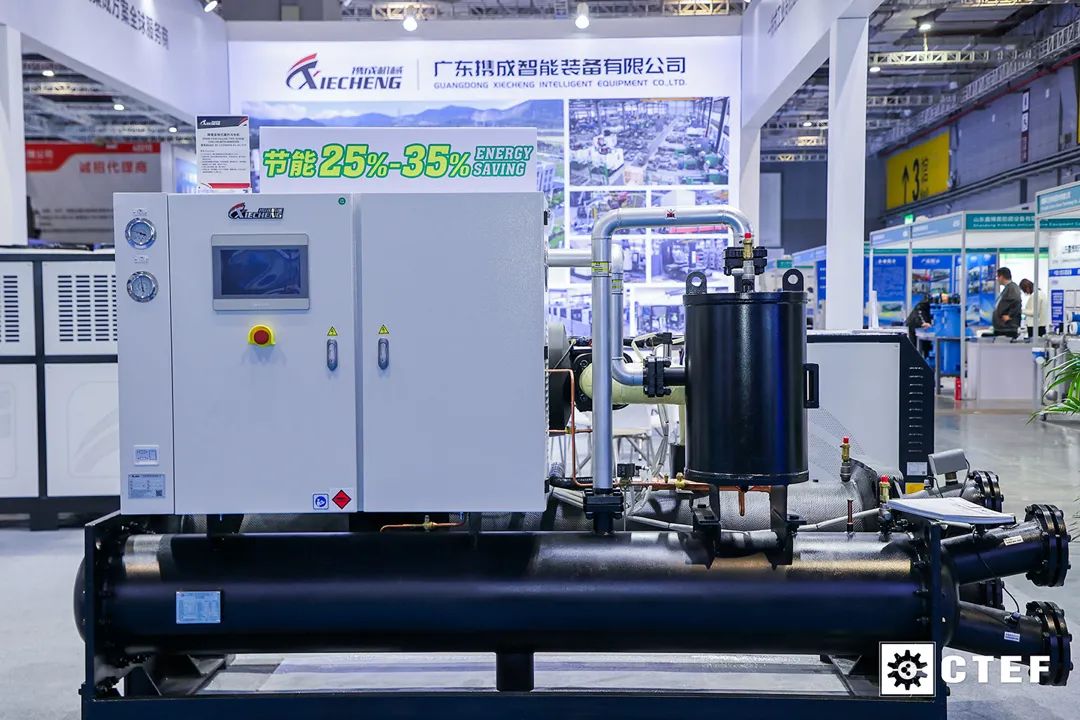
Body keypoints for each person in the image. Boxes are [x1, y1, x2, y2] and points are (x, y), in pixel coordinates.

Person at [991, 267, 1022, 338]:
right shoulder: (1007, 288)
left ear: (1001, 277)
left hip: (1008, 328)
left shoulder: (1012, 288)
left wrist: (1010, 315)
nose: (997, 279)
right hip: (1002, 327)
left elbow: (1017, 301)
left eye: (997, 277)